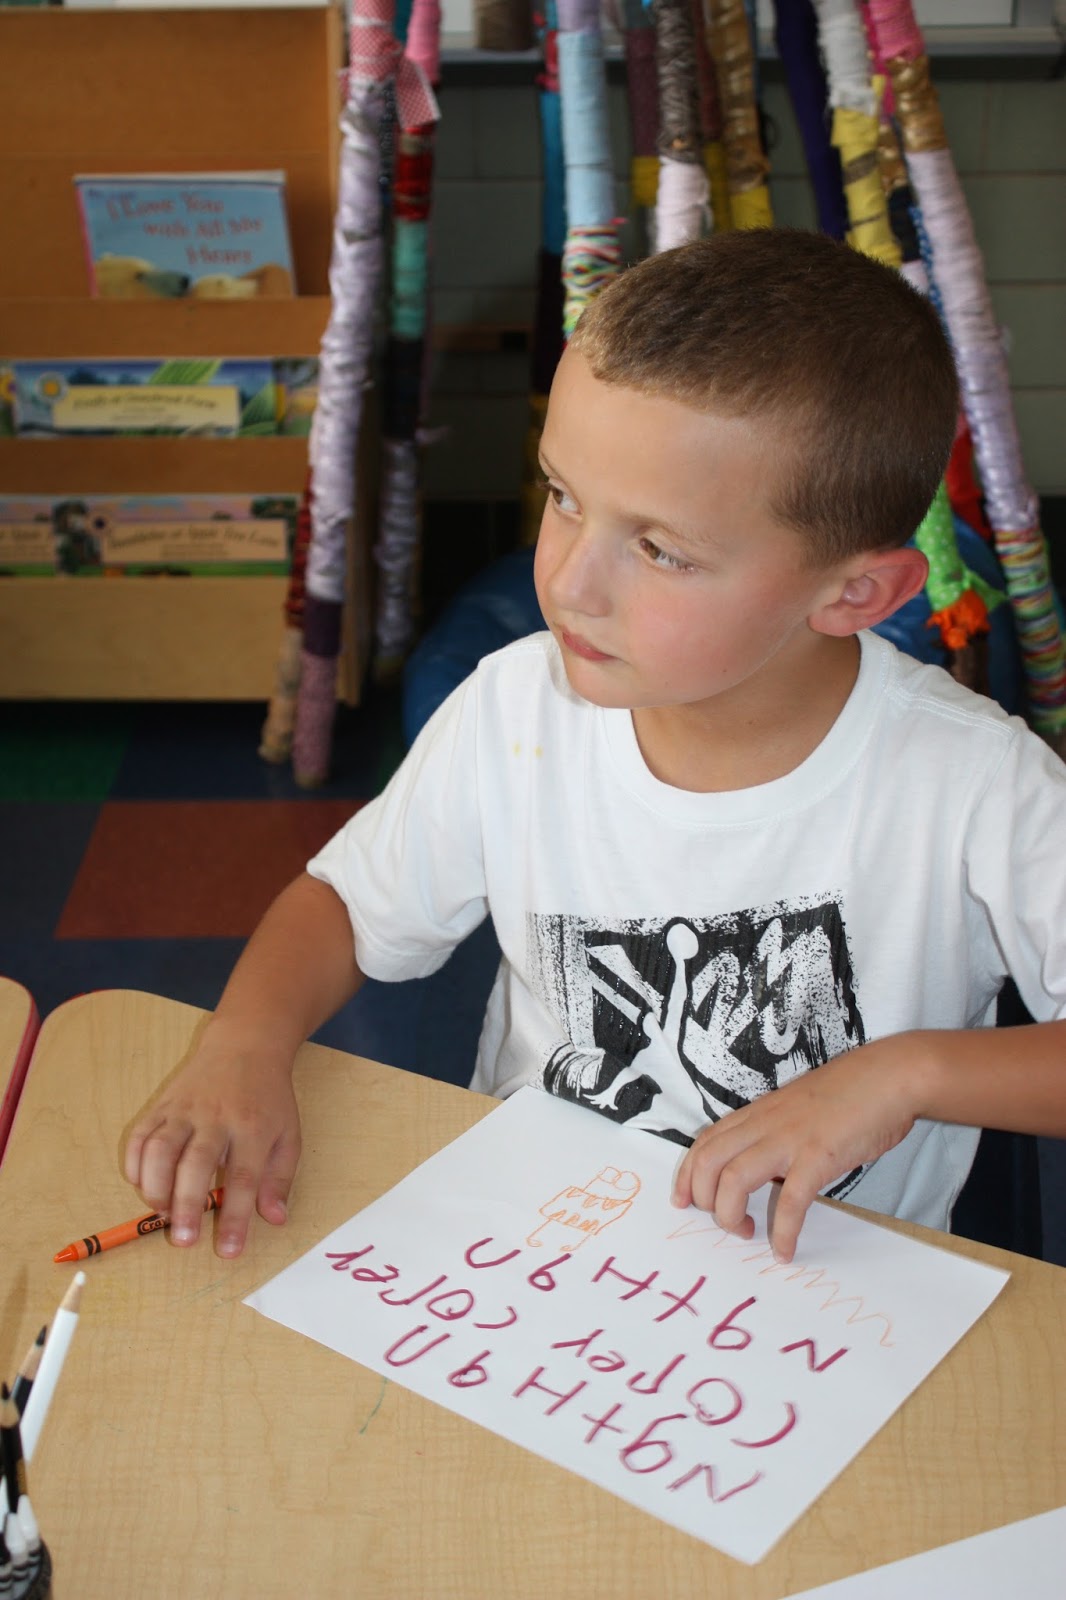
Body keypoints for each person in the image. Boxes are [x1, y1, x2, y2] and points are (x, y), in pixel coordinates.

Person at [124, 228, 1066, 1265]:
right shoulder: (513, 712)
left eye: (658, 549)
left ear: (855, 594)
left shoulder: (979, 785)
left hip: (826, 1322)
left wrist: (909, 1074)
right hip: (532, 1267)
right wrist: (245, 1044)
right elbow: (345, 904)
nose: (570, 581)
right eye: (563, 497)